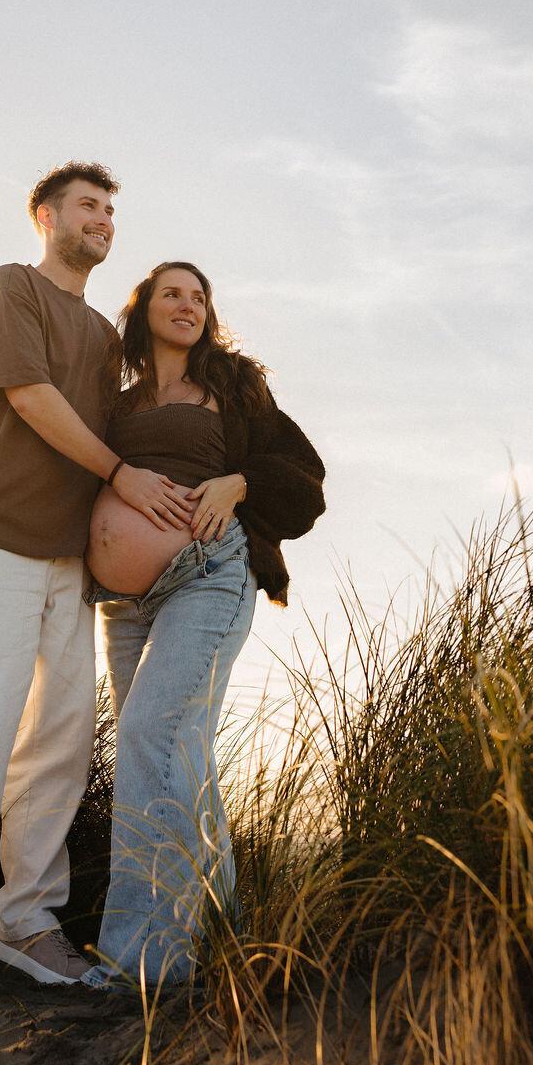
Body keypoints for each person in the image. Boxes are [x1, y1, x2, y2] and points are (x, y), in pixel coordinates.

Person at [0, 166, 194, 999]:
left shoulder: (107, 339)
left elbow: (128, 421)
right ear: (45, 216)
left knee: (58, 752)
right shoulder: (12, 289)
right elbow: (32, 398)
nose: (102, 220)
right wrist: (122, 472)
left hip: (69, 567)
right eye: (87, 207)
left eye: (110, 211)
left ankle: (30, 926)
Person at [80, 261, 326, 990]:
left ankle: (142, 963)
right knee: (174, 754)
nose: (186, 304)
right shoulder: (115, 403)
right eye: (171, 293)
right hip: (124, 604)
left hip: (208, 575)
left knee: (151, 734)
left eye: (198, 296)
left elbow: (305, 476)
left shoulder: (235, 389)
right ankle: (223, 935)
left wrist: (239, 481)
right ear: (144, 310)